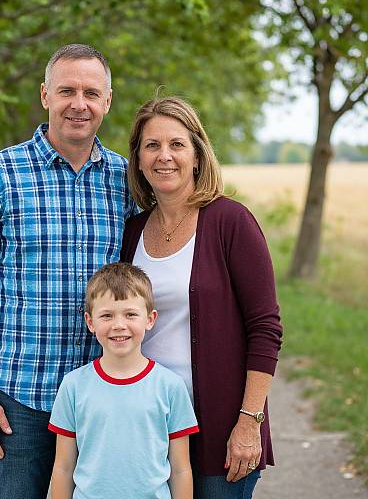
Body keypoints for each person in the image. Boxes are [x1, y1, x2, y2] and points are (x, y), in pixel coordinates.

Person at [0, 44, 136, 499]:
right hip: (20, 400)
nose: (79, 103)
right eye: (66, 90)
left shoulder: (126, 180)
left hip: (105, 395)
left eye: (91, 92)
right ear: (44, 95)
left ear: (107, 102)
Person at [120, 97, 283, 499]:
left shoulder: (231, 221)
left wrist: (249, 422)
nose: (164, 156)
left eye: (177, 144)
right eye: (152, 145)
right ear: (138, 159)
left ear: (196, 155)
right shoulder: (132, 231)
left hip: (221, 430)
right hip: (149, 428)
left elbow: (265, 328)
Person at [49, 262, 198, 498]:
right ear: (90, 322)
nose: (119, 325)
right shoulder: (73, 386)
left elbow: (180, 469)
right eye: (107, 315)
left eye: (130, 314)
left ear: (150, 319)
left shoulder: (170, 387)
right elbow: (63, 468)